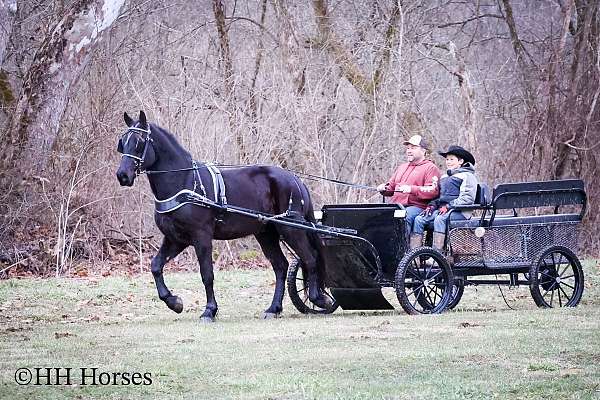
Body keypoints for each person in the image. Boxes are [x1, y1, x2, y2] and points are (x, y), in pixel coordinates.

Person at [412, 145, 478, 251]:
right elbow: (439, 197)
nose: (448, 162)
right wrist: (432, 205)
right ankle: (414, 256)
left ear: (460, 161)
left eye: (452, 159)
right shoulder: (444, 177)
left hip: (460, 212)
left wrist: (448, 206)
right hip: (442, 210)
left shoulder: (467, 176)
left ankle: (437, 255)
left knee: (440, 219)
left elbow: (467, 198)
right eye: (447, 159)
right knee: (419, 219)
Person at [377, 135, 441, 243]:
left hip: (417, 207)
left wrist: (412, 189)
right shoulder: (402, 167)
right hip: (397, 206)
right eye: (408, 148)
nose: (409, 151)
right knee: (378, 216)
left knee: (403, 216)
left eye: (413, 148)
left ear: (423, 151)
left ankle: (401, 252)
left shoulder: (430, 168)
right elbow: (391, 188)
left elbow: (433, 191)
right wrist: (384, 188)